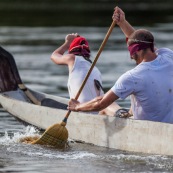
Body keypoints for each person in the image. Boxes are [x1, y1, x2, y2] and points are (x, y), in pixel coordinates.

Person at [68, 6, 173, 123]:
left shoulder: (133, 76)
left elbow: (100, 103)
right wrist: (122, 23)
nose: (131, 57)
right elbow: (140, 39)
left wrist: (77, 107)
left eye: (131, 53)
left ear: (136, 52)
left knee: (105, 107)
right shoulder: (168, 56)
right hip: (169, 125)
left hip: (146, 130)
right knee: (119, 106)